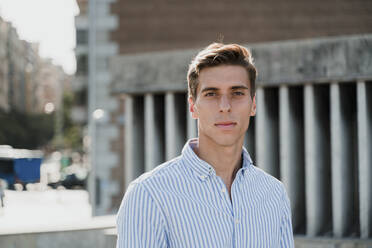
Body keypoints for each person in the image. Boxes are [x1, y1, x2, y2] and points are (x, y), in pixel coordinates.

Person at [116, 43, 294, 247]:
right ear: (193, 107)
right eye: (211, 94)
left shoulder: (273, 193)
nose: (225, 106)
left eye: (237, 93)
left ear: (253, 104)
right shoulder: (149, 195)